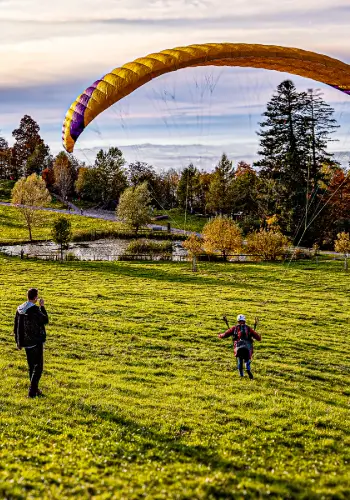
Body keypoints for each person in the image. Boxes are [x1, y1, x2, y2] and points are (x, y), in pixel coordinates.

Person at [13, 288, 49, 398]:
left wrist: (18, 341)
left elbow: (16, 326)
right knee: (38, 368)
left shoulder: (20, 308)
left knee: (31, 367)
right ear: (35, 297)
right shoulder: (34, 310)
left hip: (25, 342)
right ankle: (32, 392)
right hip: (35, 341)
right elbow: (45, 320)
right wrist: (42, 306)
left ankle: (35, 389)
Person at [218, 314, 261, 379]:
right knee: (247, 359)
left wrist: (220, 335)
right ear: (244, 320)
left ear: (238, 321)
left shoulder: (234, 328)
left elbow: (225, 335)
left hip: (238, 347)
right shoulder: (249, 328)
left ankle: (241, 375)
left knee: (239, 360)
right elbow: (258, 338)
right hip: (247, 347)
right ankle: (247, 368)